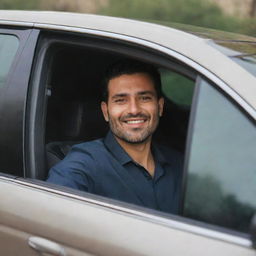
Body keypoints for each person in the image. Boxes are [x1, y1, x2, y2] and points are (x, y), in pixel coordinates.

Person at [47, 59, 183, 214]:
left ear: (159, 107)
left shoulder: (179, 163)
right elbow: (49, 212)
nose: (133, 109)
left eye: (144, 98)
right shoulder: (86, 162)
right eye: (121, 100)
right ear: (105, 111)